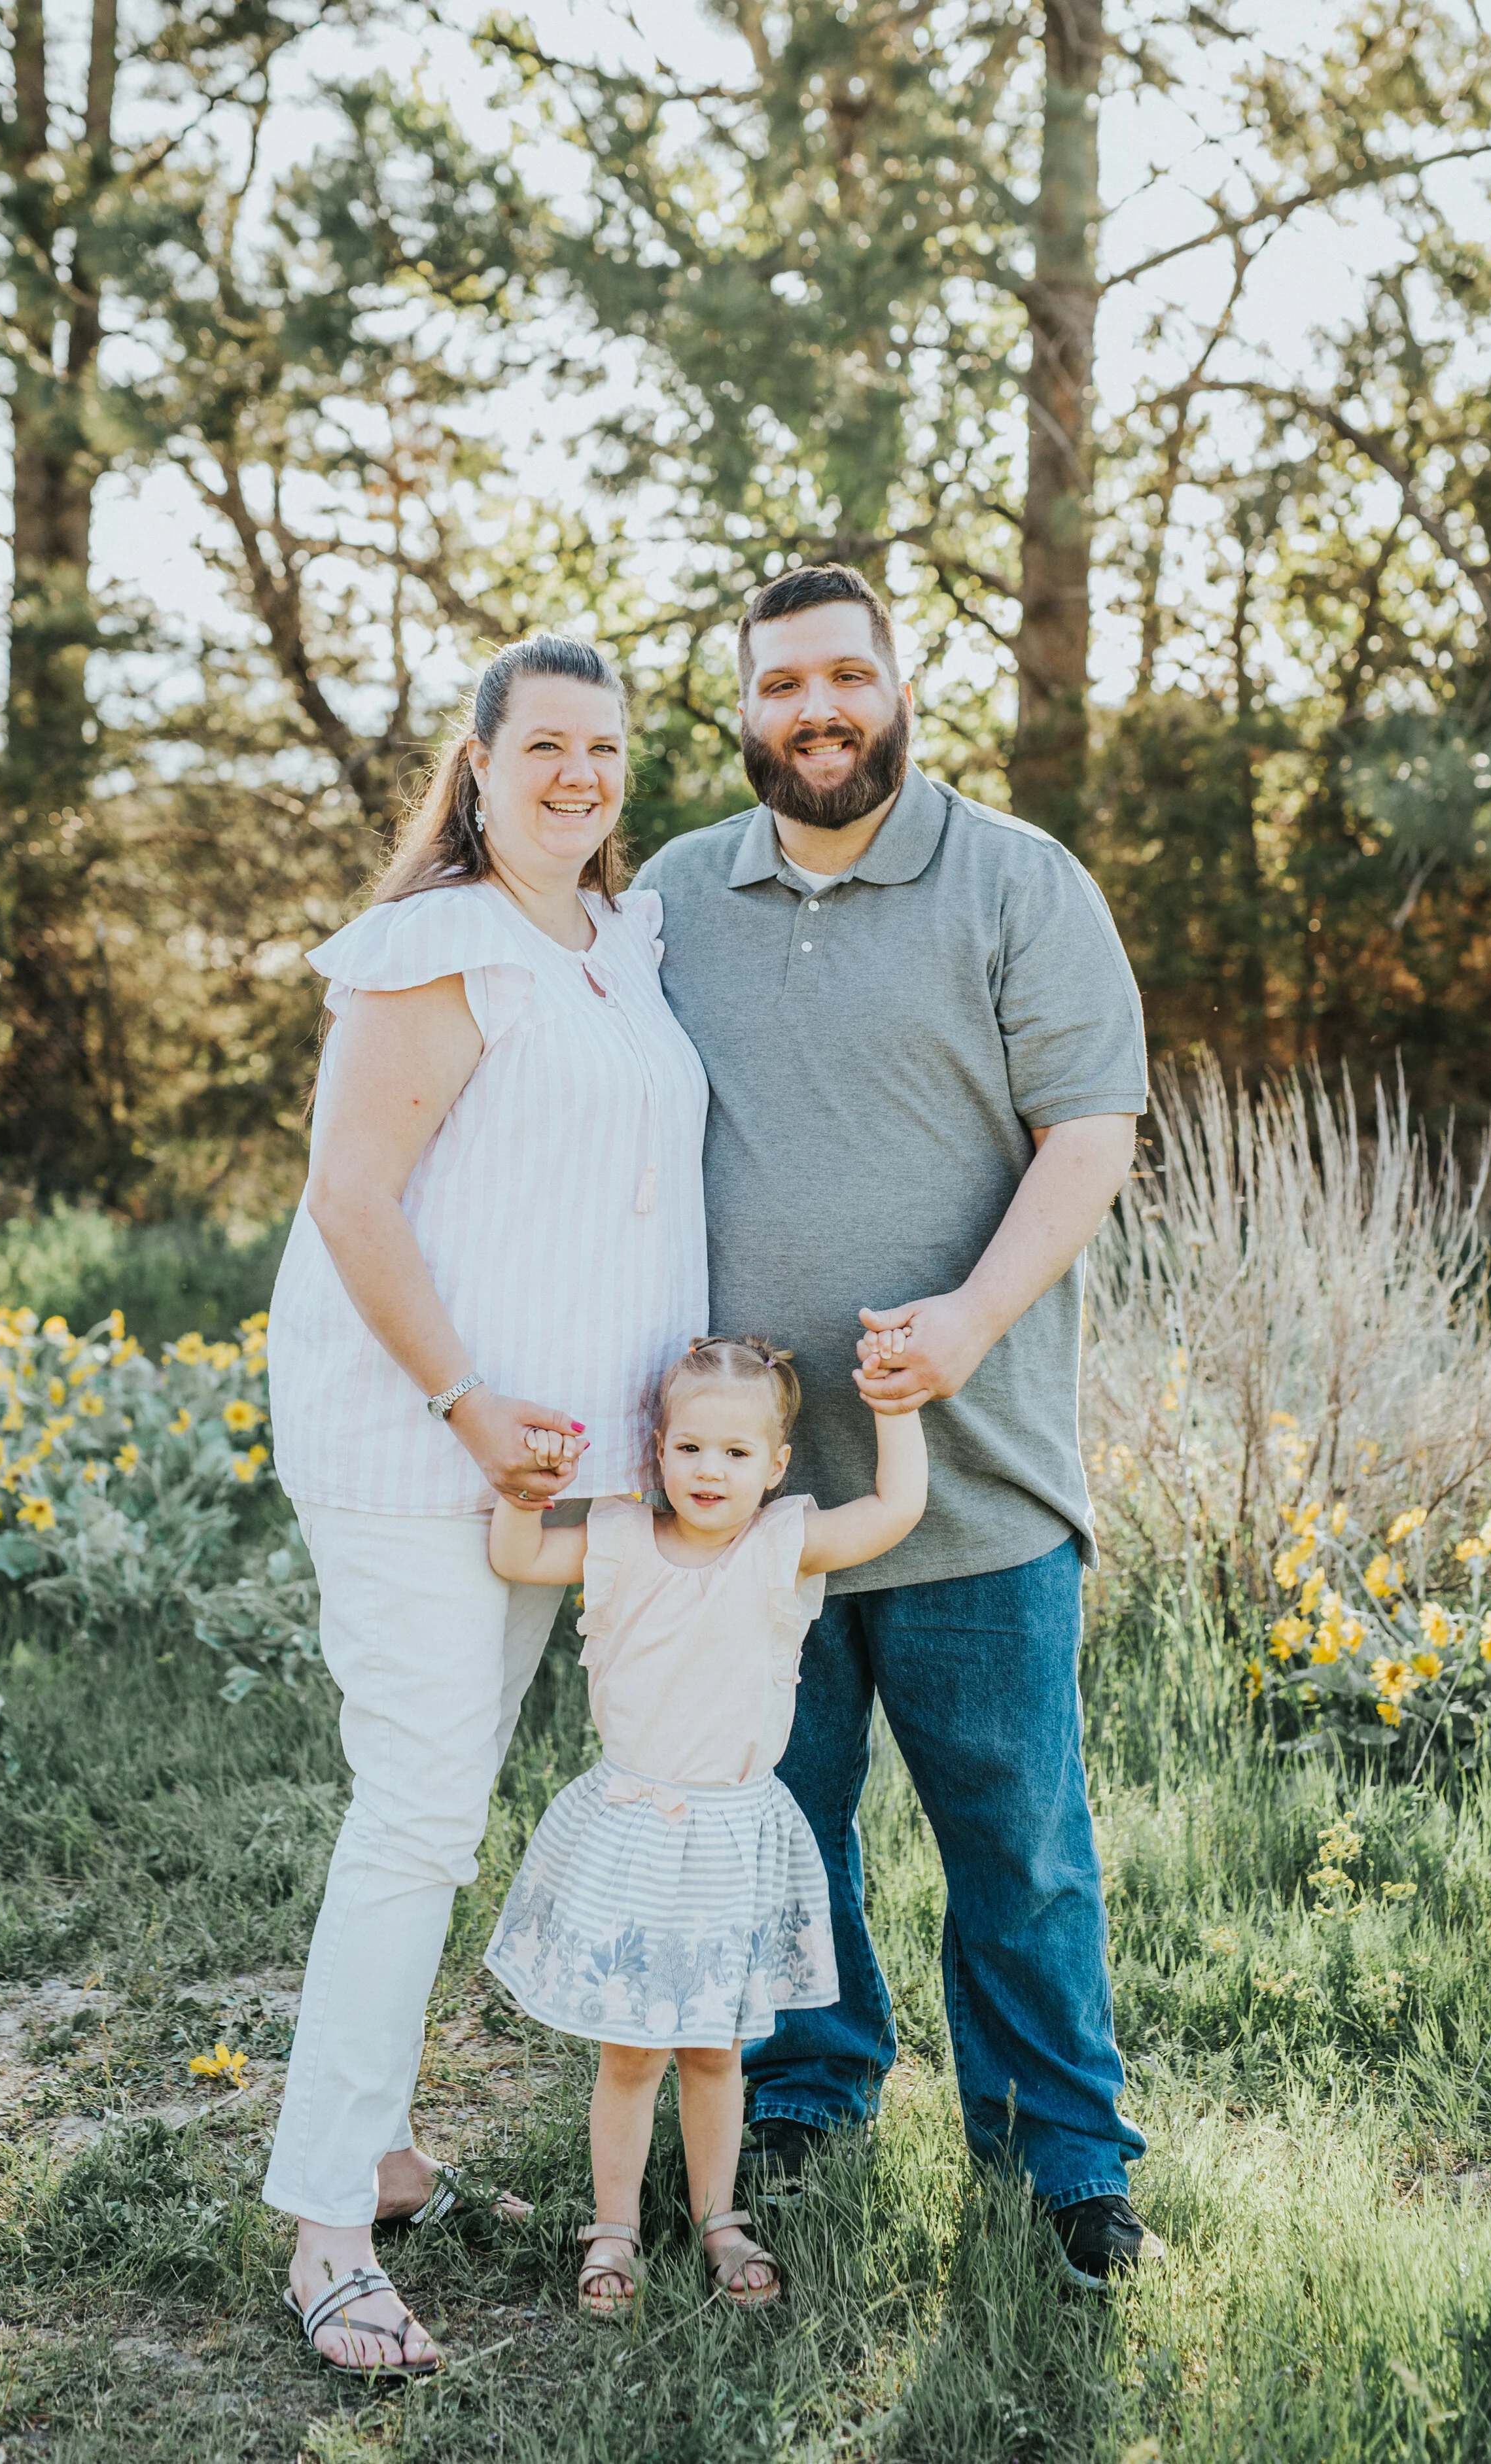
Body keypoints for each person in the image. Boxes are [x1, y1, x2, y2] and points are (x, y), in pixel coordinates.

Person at [636, 564, 1161, 2292]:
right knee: (776, 1825)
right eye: (783, 683)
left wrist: (968, 1320)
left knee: (1016, 1838)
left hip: (973, 1475)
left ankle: (1061, 2149)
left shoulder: (1017, 879)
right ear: (742, 710)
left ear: (897, 686)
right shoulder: (672, 894)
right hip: (740, 1502)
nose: (818, 709)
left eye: (845, 675)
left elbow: (1088, 1131)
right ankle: (807, 2089)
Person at [262, 634, 709, 2376]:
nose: (579, 775)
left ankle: (378, 2145)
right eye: (543, 746)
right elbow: (351, 1197)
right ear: (475, 765)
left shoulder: (615, 941)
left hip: (554, 1466)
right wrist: (463, 1398)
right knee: (417, 1817)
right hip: (415, 1449)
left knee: (439, 1804)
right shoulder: (436, 943)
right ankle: (325, 2224)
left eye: (605, 747)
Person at [482, 1336, 928, 2317]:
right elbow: (516, 1554)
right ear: (658, 1450)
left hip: (731, 1840)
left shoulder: (781, 1547)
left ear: (775, 1466)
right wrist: (526, 1484)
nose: (709, 1470)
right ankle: (614, 2225)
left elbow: (896, 1510)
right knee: (632, 2053)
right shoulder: (618, 1540)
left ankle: (718, 2216)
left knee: (718, 2049)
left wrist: (896, 1406)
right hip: (636, 1833)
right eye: (689, 1447)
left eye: (736, 1452)